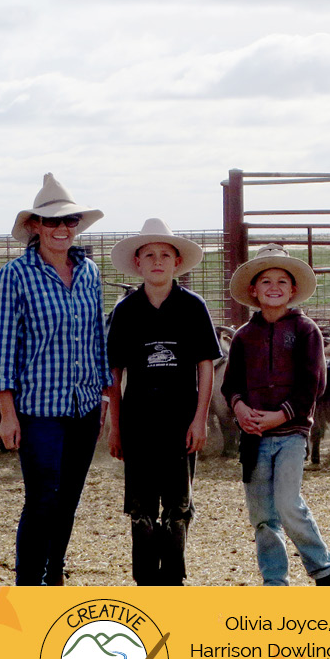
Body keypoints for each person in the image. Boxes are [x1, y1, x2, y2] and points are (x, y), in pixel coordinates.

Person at [0, 173, 110, 585]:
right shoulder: (14, 276)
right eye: (52, 221)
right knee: (42, 500)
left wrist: (104, 395)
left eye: (69, 221)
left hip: (85, 404)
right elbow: (1, 349)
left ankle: (54, 576)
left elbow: (98, 336)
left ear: (77, 226)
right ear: (35, 226)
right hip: (38, 409)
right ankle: (28, 585)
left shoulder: (90, 272)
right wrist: (8, 414)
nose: (61, 229)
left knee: (69, 499)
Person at [105, 218, 221, 585]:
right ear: (138, 263)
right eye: (149, 255)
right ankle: (145, 580)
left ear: (176, 262)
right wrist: (115, 426)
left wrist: (200, 418)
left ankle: (174, 577)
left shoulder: (192, 307)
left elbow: (205, 366)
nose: (157, 261)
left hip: (181, 418)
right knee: (141, 506)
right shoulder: (126, 310)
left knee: (178, 503)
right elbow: (115, 373)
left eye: (165, 255)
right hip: (139, 419)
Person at [222, 244, 330, 587]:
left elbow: (313, 384)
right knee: (261, 515)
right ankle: (275, 581)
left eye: (282, 281)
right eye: (266, 281)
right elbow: (231, 385)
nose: (274, 287)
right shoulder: (244, 337)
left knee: (287, 504)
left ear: (293, 289)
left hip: (291, 434)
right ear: (253, 290)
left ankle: (322, 569)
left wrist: (280, 416)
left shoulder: (305, 331)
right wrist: (240, 407)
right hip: (254, 437)